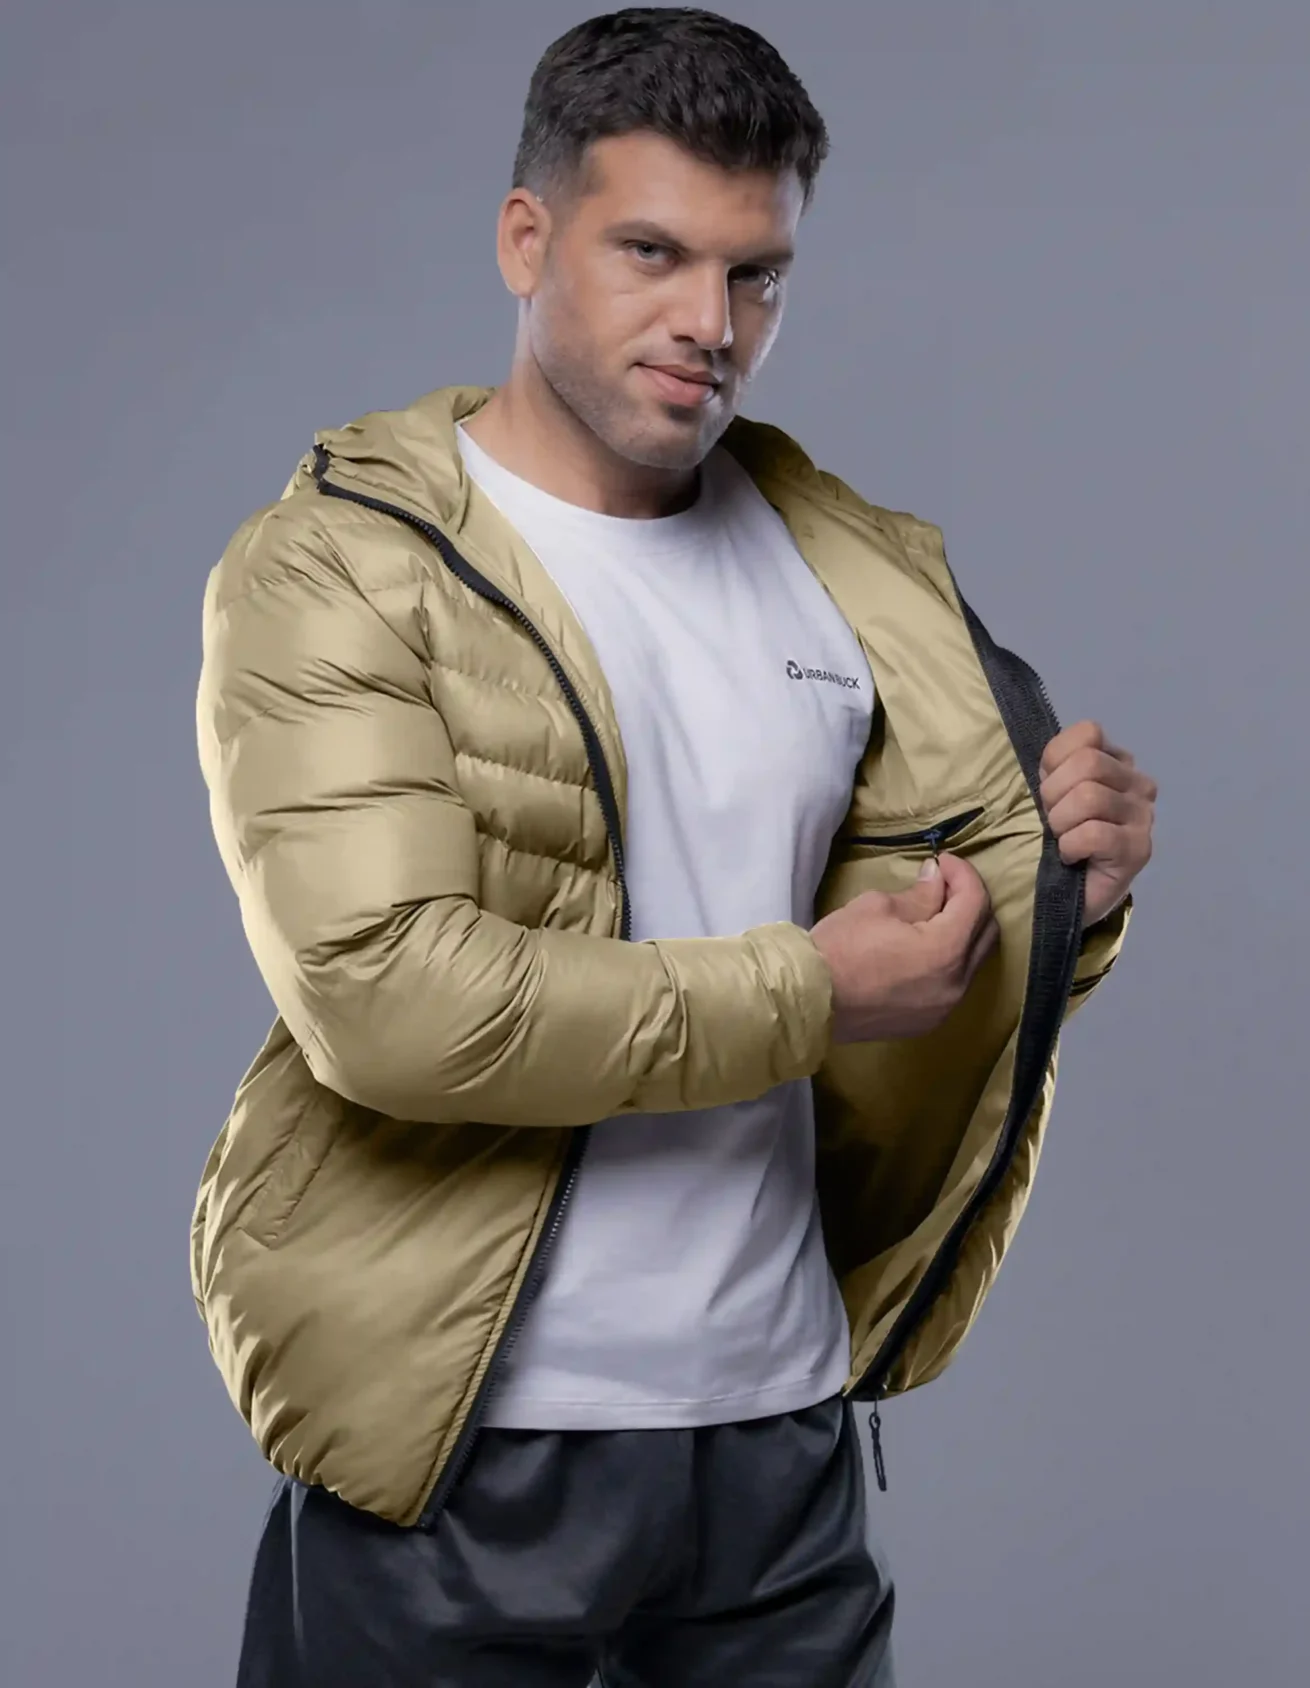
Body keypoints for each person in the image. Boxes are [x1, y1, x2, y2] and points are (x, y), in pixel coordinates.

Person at [193, 9, 1156, 1685]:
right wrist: (814, 988)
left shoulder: (848, 569)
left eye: (754, 275)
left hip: (777, 1431)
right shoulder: (340, 566)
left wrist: (1062, 894)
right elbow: (393, 1002)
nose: (708, 324)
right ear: (526, 239)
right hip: (468, 1437)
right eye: (651, 253)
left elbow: (912, 966)